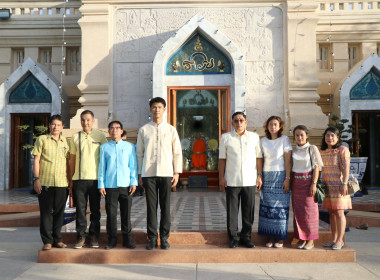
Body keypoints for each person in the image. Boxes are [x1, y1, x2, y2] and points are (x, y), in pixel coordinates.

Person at [136, 97, 182, 250]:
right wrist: (140, 174)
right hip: (148, 173)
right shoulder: (144, 130)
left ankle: (164, 237)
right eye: (154, 107)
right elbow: (139, 153)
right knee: (151, 207)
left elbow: (177, 153)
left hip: (166, 173)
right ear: (150, 109)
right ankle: (152, 238)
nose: (157, 110)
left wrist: (176, 173)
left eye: (160, 107)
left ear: (164, 109)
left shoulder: (171, 130)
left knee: (165, 207)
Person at [219, 112, 263, 248]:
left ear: (246, 122)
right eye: (236, 121)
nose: (239, 123)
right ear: (232, 123)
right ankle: (233, 238)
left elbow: (259, 157)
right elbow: (222, 159)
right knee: (232, 211)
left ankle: (246, 237)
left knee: (248, 211)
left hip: (250, 180)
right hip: (232, 180)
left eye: (241, 120)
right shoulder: (226, 137)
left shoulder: (254, 137)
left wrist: (259, 175)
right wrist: (221, 177)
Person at [69, 110, 107, 249]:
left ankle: (94, 236)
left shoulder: (101, 136)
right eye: (83, 120)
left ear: (93, 121)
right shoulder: (75, 137)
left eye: (88, 120)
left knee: (95, 210)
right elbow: (72, 159)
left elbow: (105, 158)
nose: (86, 123)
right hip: (79, 179)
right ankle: (80, 236)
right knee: (80, 210)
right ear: (80, 121)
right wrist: (70, 180)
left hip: (96, 180)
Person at [31, 114, 70, 251]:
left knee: (60, 213)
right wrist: (36, 179)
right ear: (49, 126)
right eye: (53, 124)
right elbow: (36, 160)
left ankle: (57, 239)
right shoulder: (42, 139)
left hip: (61, 183)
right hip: (45, 182)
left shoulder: (65, 141)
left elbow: (67, 162)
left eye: (58, 125)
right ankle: (47, 241)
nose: (56, 127)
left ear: (62, 127)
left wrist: (69, 182)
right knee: (46, 213)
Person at [98, 121, 137, 249]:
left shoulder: (130, 147)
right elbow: (102, 168)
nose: (114, 130)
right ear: (109, 131)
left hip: (126, 185)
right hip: (110, 185)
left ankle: (127, 239)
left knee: (126, 214)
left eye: (117, 128)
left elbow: (133, 166)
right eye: (112, 128)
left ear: (122, 131)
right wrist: (101, 185)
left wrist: (133, 182)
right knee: (111, 214)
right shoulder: (104, 147)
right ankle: (112, 240)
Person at [258, 116, 292, 248]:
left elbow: (288, 160)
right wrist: (259, 176)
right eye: (270, 124)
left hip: (281, 175)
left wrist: (287, 178)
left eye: (275, 124)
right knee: (268, 207)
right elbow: (260, 159)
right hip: (267, 176)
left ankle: (279, 237)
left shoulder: (284, 139)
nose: (273, 127)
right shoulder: (263, 141)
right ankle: (270, 235)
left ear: (280, 126)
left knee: (280, 208)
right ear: (267, 126)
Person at [291, 125, 323, 250]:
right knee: (298, 213)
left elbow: (316, 167)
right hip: (296, 184)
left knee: (310, 212)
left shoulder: (312, 148)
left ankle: (310, 239)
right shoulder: (293, 150)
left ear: (307, 135)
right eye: (297, 135)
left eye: (302, 135)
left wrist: (314, 183)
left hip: (308, 182)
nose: (299, 137)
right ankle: (301, 238)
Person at [320, 127, 351, 250]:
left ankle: (340, 240)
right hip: (327, 185)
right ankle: (333, 239)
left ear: (337, 138)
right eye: (327, 135)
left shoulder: (343, 150)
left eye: (332, 135)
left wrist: (344, 183)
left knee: (339, 212)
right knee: (331, 213)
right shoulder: (322, 151)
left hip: (339, 186)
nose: (330, 138)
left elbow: (347, 168)